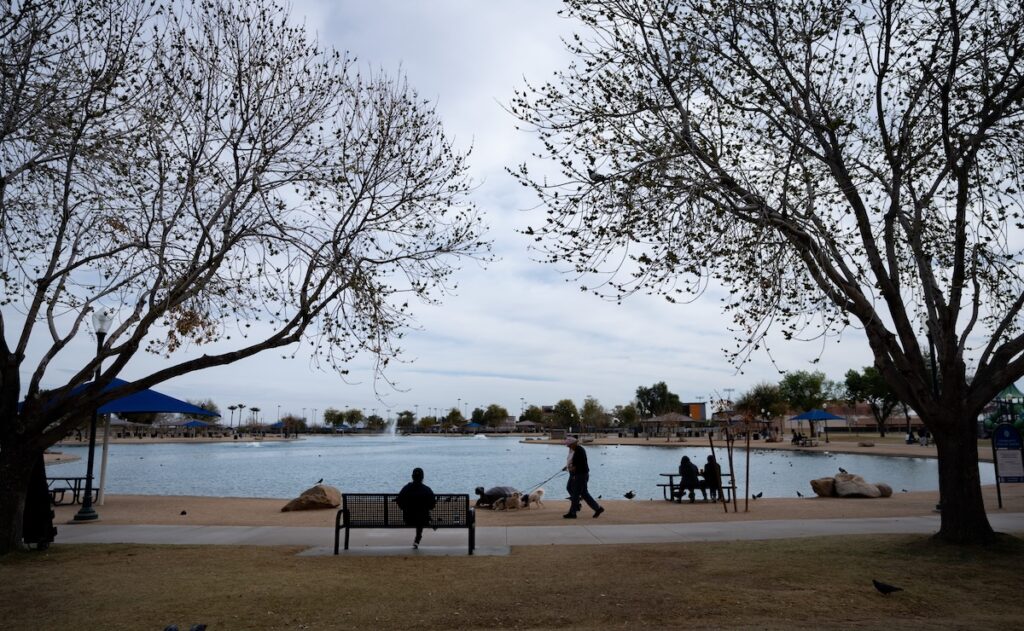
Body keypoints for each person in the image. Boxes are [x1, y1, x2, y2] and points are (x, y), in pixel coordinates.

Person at [563, 436, 604, 519]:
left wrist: (572, 469)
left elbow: (579, 465)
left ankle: (573, 512)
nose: (568, 446)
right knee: (582, 493)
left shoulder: (579, 451)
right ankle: (597, 508)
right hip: (578, 474)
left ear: (573, 443)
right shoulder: (575, 449)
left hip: (580, 475)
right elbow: (573, 462)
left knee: (576, 494)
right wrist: (568, 467)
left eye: (569, 445)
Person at [395, 467, 436, 549]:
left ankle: (418, 537)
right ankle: (418, 536)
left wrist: (404, 508)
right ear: (422, 477)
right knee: (421, 515)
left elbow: (399, 501)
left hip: (408, 519)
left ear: (412, 477)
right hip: (423, 520)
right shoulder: (427, 490)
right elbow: (432, 506)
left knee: (418, 515)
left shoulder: (406, 488)